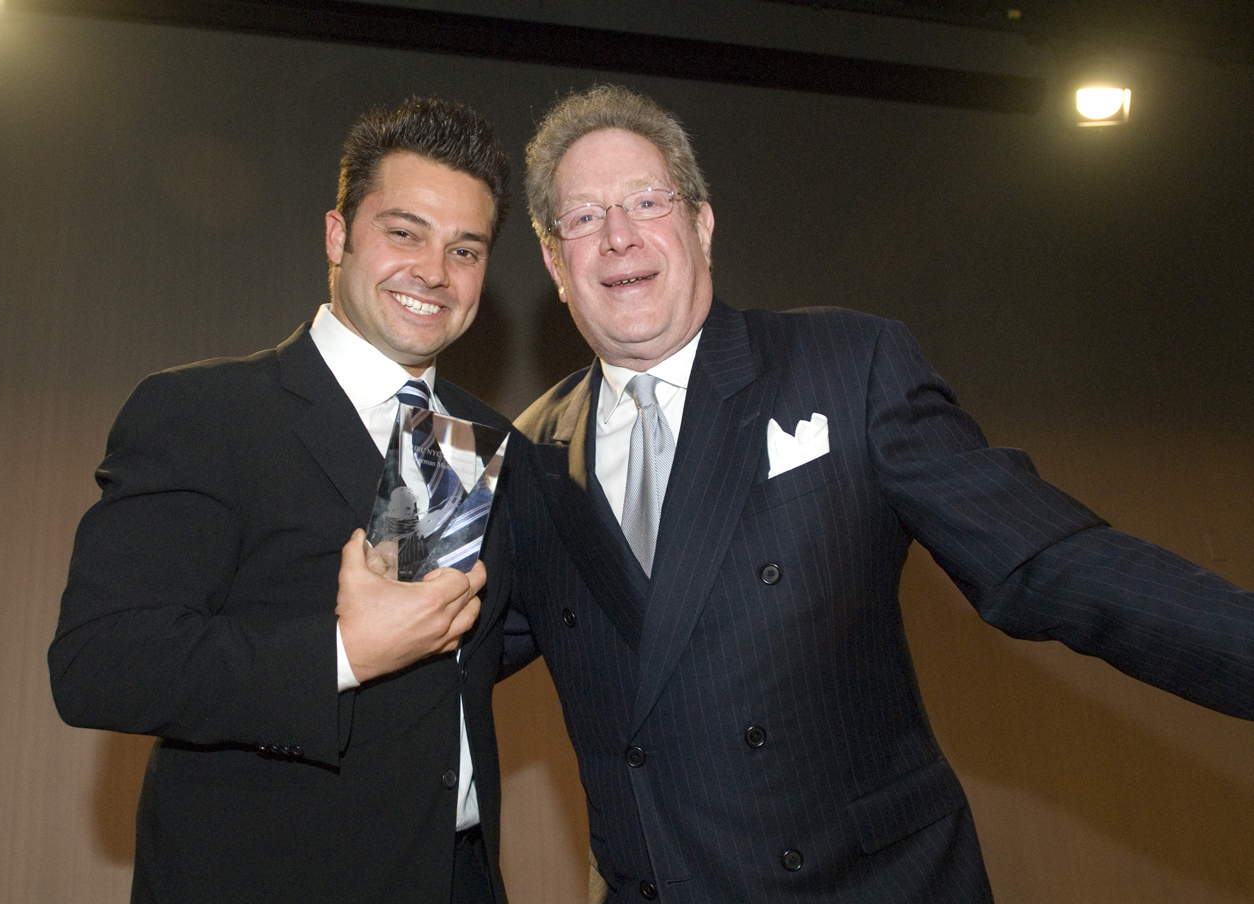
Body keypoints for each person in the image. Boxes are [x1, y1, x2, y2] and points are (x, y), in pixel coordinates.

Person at [502, 84, 1254, 903]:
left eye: (647, 201)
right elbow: (440, 664)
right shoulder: (526, 453)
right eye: (582, 217)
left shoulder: (845, 363)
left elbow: (1047, 562)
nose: (618, 237)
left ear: (702, 225)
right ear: (553, 260)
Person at [50, 97, 514, 904]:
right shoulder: (204, 412)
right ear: (337, 235)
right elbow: (101, 665)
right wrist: (343, 654)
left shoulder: (478, 436)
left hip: (456, 880)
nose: (435, 272)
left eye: (465, 249)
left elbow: (490, 637)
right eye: (404, 233)